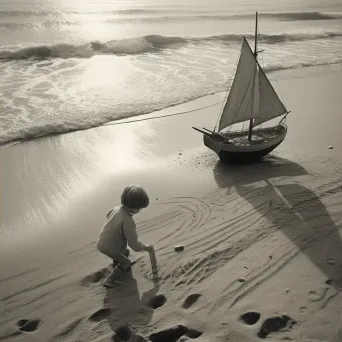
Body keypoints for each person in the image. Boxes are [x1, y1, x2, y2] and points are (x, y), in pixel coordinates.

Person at [96, 185, 152, 288]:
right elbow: (134, 245)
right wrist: (145, 247)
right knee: (126, 262)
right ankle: (109, 280)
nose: (140, 210)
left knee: (126, 252)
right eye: (140, 208)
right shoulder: (128, 221)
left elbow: (108, 216)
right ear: (135, 207)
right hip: (110, 248)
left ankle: (117, 261)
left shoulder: (115, 209)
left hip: (101, 242)